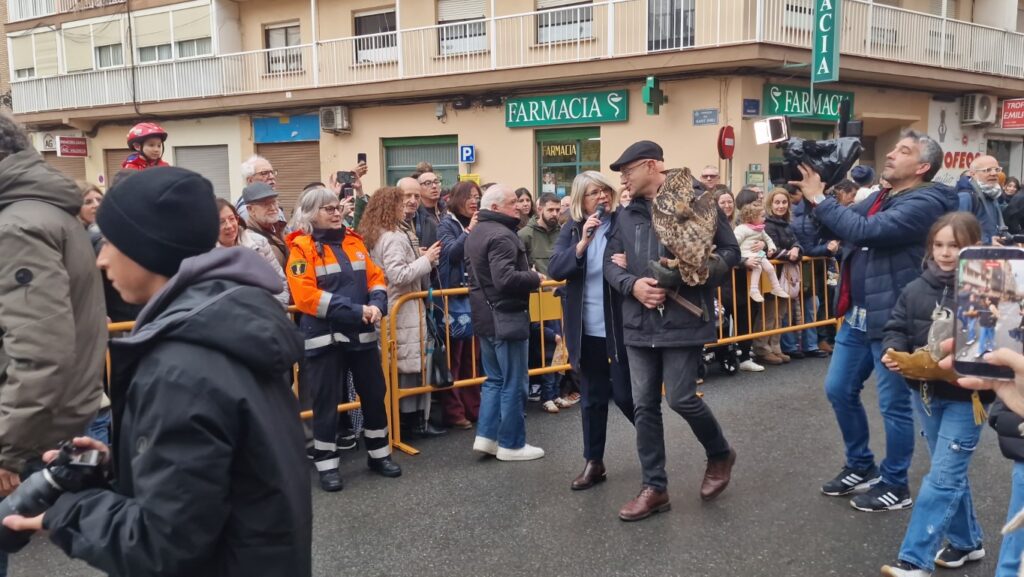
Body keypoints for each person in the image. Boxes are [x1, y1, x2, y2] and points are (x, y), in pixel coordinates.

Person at [4, 166, 312, 577]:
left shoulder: (180, 364)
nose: (101, 257)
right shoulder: (227, 325)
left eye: (110, 241)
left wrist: (68, 513)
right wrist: (127, 464)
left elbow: (163, 542)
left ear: (147, 249)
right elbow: (225, 471)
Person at [790, 130, 958, 512]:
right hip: (857, 315)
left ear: (923, 166)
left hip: (894, 320)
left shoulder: (928, 201)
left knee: (893, 406)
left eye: (903, 150)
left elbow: (868, 232)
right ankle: (860, 464)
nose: (891, 155)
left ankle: (896, 483)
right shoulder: (881, 197)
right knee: (838, 390)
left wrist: (820, 199)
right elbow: (831, 228)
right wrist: (808, 196)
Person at [605, 140, 738, 522]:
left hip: (683, 316)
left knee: (681, 398)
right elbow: (608, 263)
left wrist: (684, 272)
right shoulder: (626, 212)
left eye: (627, 170)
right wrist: (633, 285)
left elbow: (731, 254)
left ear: (650, 165)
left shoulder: (698, 200)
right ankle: (655, 488)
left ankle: (719, 452)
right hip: (637, 320)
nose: (624, 179)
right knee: (643, 405)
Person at [0, 115, 106, 577]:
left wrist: (4, 448)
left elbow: (39, 350)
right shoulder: (41, 213)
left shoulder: (17, 225)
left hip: (19, 427)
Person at [879, 213, 992, 577]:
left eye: (956, 246)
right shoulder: (914, 288)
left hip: (967, 398)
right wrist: (893, 351)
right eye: (939, 245)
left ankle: (915, 559)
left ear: (973, 247)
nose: (946, 253)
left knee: (942, 477)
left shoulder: (989, 290)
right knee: (948, 473)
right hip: (925, 394)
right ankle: (966, 541)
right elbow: (895, 327)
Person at [286, 187, 401, 492]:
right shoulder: (301, 249)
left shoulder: (354, 242)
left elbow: (376, 277)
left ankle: (379, 455)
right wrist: (356, 310)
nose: (337, 212)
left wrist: (377, 304)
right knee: (326, 404)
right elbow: (306, 296)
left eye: (337, 207)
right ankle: (327, 466)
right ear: (311, 214)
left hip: (360, 335)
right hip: (324, 339)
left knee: (375, 395)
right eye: (328, 209)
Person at [548, 171, 636, 490]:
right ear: (580, 201)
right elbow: (556, 269)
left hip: (620, 326)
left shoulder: (623, 223)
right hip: (586, 329)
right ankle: (593, 462)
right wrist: (582, 244)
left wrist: (633, 263)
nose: (601, 197)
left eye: (604, 191)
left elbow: (645, 260)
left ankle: (653, 449)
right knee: (592, 399)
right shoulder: (573, 229)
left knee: (627, 395)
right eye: (593, 193)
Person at [359, 186, 447, 439]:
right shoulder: (394, 235)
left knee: (395, 367)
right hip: (403, 307)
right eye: (402, 201)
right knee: (409, 368)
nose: (408, 205)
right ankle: (412, 424)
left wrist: (416, 257)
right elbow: (398, 274)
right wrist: (427, 259)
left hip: (391, 306)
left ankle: (399, 423)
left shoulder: (375, 232)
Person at [465, 184, 545, 462]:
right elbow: (505, 279)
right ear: (495, 207)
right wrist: (535, 278)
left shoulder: (478, 232)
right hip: (506, 316)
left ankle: (487, 438)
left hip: (487, 317)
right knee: (513, 382)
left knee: (495, 380)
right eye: (513, 202)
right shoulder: (502, 235)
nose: (520, 206)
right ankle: (512, 444)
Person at [436, 181, 482, 429]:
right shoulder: (446, 224)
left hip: (473, 294)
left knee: (472, 359)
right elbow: (451, 253)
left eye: (477, 197)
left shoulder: (476, 223)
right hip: (452, 299)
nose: (474, 201)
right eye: (470, 197)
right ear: (457, 199)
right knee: (454, 357)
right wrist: (468, 231)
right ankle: (454, 412)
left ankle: (474, 408)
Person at [519, 192, 564, 412]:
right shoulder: (524, 235)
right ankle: (546, 395)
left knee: (561, 345)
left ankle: (556, 393)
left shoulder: (563, 232)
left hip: (560, 295)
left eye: (558, 210)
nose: (555, 214)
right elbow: (520, 265)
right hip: (538, 297)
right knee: (547, 346)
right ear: (540, 209)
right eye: (551, 210)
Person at [215, 198, 289, 306]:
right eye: (221, 222)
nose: (229, 226)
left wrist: (269, 310)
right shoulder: (205, 254)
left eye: (232, 219)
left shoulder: (259, 243)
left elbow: (280, 285)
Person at [733, 201, 791, 304]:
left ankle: (776, 287)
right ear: (752, 217)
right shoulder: (741, 229)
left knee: (769, 267)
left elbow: (768, 239)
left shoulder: (760, 229)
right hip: (746, 254)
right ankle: (754, 290)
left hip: (758, 254)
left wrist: (771, 248)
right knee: (758, 267)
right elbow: (735, 243)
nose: (765, 219)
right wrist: (740, 256)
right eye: (762, 216)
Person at [957, 155, 1006, 244]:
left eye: (997, 169)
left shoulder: (992, 193)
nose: (994, 173)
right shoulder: (965, 197)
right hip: (974, 254)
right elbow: (959, 229)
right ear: (973, 173)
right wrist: (989, 242)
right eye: (987, 170)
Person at [243, 181, 289, 270]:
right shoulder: (251, 242)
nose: (273, 208)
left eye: (274, 202)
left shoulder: (281, 228)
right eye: (265, 204)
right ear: (250, 209)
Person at [415, 171, 445, 247]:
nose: (434, 186)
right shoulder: (415, 215)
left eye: (436, 182)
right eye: (428, 183)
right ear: (418, 188)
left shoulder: (447, 210)